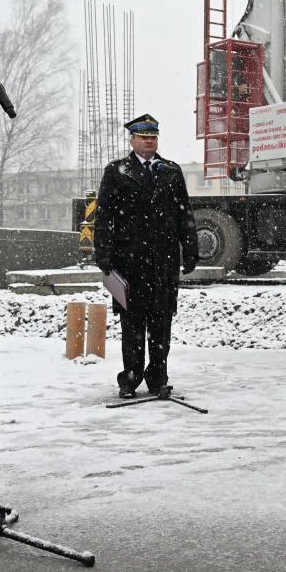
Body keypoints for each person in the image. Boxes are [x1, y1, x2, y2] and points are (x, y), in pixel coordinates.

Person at [94, 113, 199, 398]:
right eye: (143, 138)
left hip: (163, 262)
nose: (149, 142)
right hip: (129, 262)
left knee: (161, 324)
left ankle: (158, 378)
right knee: (132, 325)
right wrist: (102, 253)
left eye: (153, 138)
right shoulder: (116, 172)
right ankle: (130, 379)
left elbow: (183, 214)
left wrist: (190, 249)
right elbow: (104, 216)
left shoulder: (171, 171)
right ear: (132, 140)